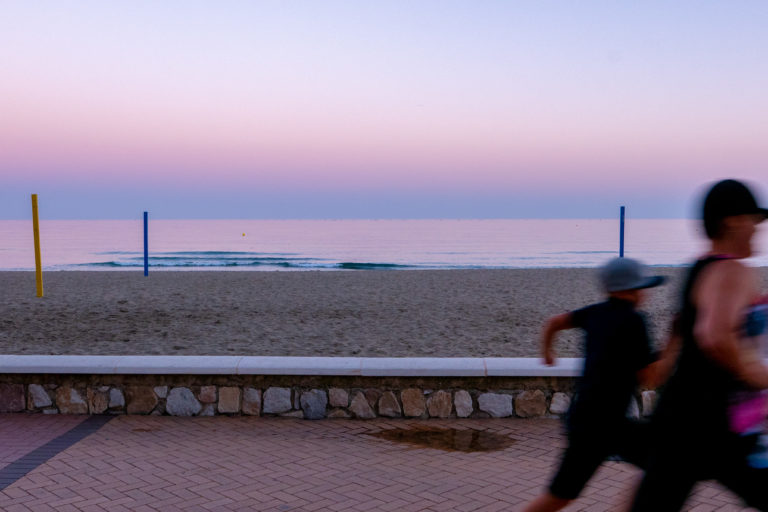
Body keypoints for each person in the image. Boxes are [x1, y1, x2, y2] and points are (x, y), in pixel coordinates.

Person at [630, 179, 768, 511]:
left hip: (682, 420)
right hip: (716, 422)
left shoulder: (699, 268)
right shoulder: (731, 269)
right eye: (752, 220)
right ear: (731, 221)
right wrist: (758, 377)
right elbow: (716, 336)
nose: (756, 230)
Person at [523, 257, 674, 512]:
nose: (645, 293)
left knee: (560, 496)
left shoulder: (595, 312)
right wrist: (673, 344)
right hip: (604, 426)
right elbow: (650, 378)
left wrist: (547, 352)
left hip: (586, 419)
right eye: (643, 287)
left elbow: (554, 322)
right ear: (632, 289)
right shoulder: (634, 321)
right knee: (666, 467)